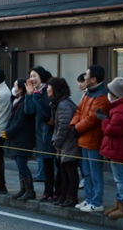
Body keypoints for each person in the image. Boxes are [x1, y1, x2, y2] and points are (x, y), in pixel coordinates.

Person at [70, 65, 110, 212]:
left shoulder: (101, 96)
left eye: (87, 75)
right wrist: (74, 125)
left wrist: (77, 128)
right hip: (83, 138)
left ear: (93, 79)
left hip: (93, 141)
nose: (84, 77)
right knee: (86, 173)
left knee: (95, 173)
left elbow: (93, 119)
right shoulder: (89, 93)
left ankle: (97, 202)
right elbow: (78, 110)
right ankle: (89, 199)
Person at [97, 77, 123, 219]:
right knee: (119, 178)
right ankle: (119, 204)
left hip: (119, 150)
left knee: (120, 179)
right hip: (122, 149)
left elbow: (112, 131)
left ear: (115, 94)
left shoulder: (120, 110)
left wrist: (104, 119)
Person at [24, 66, 60, 202]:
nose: (32, 79)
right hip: (40, 134)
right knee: (46, 165)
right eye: (31, 76)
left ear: (42, 77)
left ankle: (57, 191)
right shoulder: (35, 92)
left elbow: (45, 113)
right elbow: (28, 111)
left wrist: (35, 96)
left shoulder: (47, 91)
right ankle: (47, 191)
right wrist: (29, 95)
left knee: (55, 165)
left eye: (35, 76)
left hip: (50, 134)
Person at [2, 79, 36, 201]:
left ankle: (30, 190)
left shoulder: (24, 102)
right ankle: (23, 189)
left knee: (22, 165)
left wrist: (8, 132)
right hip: (17, 139)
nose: (13, 88)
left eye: (15, 85)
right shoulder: (16, 101)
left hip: (23, 139)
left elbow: (20, 122)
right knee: (20, 165)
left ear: (21, 89)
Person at [48, 77, 79, 207]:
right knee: (64, 172)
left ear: (56, 89)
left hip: (68, 144)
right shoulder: (60, 103)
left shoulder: (63, 105)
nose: (47, 89)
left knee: (70, 172)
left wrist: (57, 143)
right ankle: (64, 196)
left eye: (49, 87)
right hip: (65, 144)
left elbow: (63, 127)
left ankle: (71, 198)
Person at [76, 73, 87, 189]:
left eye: (82, 81)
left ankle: (85, 179)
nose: (79, 84)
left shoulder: (90, 95)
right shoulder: (84, 95)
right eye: (78, 82)